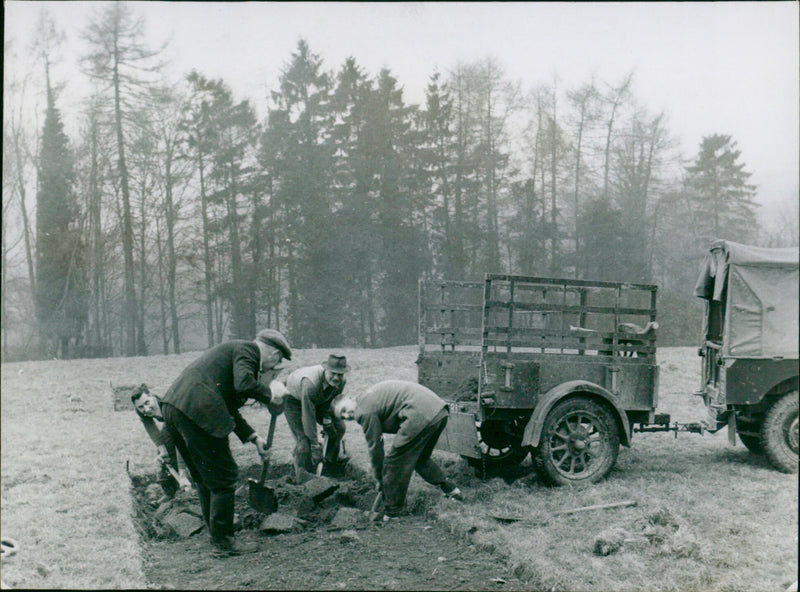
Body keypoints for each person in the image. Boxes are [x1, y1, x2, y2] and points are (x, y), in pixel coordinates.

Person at [160, 329, 292, 557]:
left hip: (175, 407)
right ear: (273, 353)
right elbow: (244, 384)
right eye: (276, 363)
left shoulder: (233, 356)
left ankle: (216, 531)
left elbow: (229, 404)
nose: (270, 370)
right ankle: (224, 541)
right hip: (198, 409)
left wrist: (253, 437)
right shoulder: (249, 349)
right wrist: (271, 394)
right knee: (224, 475)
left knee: (204, 475)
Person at [335, 380, 462, 520]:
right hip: (439, 411)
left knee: (394, 463)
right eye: (343, 418)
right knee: (420, 458)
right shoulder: (367, 398)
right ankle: (451, 490)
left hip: (420, 414)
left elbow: (375, 447)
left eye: (344, 410)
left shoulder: (363, 411)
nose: (347, 416)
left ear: (350, 398)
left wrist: (379, 477)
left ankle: (392, 513)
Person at [284, 354, 349, 478]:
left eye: (340, 374)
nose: (336, 378)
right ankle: (304, 477)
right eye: (333, 373)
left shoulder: (341, 382)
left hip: (320, 400)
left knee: (339, 428)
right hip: (294, 401)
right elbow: (308, 417)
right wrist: (314, 446)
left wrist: (327, 421)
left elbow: (331, 401)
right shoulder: (310, 384)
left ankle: (328, 466)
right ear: (325, 370)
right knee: (304, 443)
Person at [130, 384, 191, 493]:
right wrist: (162, 449)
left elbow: (180, 442)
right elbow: (150, 427)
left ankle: (190, 482)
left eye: (147, 403)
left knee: (188, 450)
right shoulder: (140, 408)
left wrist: (182, 472)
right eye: (141, 407)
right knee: (165, 451)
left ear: (152, 396)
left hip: (186, 418)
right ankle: (171, 492)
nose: (146, 409)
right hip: (169, 422)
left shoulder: (167, 405)